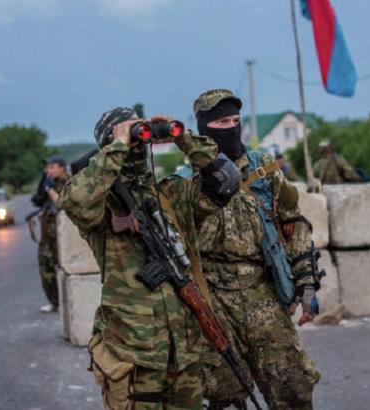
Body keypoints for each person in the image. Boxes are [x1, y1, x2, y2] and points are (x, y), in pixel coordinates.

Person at [59, 107, 240, 409]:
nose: (136, 146)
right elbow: (77, 202)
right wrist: (119, 143)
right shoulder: (101, 206)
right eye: (132, 137)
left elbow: (227, 181)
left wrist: (182, 137)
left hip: (184, 351)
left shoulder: (169, 194)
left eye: (138, 138)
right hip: (134, 353)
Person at [192, 89, 322, 410]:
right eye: (222, 122)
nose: (231, 128)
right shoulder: (188, 181)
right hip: (212, 297)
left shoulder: (264, 168)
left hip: (261, 291)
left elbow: (294, 224)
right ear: (205, 129)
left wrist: (307, 282)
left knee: (293, 385)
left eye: (235, 121)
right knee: (223, 393)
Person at [32, 155, 69, 313]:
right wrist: (44, 185)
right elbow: (37, 200)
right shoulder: (49, 182)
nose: (48, 170)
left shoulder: (69, 182)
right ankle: (55, 302)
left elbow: (62, 204)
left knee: (65, 268)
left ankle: (68, 301)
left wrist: (50, 189)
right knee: (45, 267)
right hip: (48, 234)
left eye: (52, 167)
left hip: (63, 234)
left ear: (62, 168)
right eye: (47, 167)